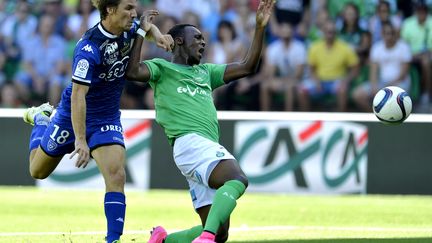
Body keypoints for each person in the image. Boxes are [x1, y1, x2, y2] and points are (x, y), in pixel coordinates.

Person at [21, 1, 172, 242]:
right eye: (128, 7)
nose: (134, 13)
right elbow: (79, 95)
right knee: (37, 171)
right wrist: (80, 140)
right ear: (110, 10)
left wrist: (158, 34)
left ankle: (113, 239)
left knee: (117, 176)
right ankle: (41, 119)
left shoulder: (127, 28)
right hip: (72, 115)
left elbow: (143, 28)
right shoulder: (88, 47)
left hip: (106, 116)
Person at [126, 1, 275, 242]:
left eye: (204, 39)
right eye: (197, 37)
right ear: (179, 41)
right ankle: (204, 237)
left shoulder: (206, 72)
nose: (203, 42)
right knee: (237, 179)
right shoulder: (162, 69)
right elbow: (132, 72)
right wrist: (142, 31)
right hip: (189, 143)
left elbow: (248, 66)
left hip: (198, 149)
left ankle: (164, 240)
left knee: (221, 234)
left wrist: (259, 27)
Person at [352, 22, 412, 112]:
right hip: (382, 82)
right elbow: (373, 71)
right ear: (382, 34)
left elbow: (403, 74)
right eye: (386, 33)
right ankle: (375, 115)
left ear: (395, 34)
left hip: (400, 83)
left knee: (392, 99)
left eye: (391, 33)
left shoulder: (404, 47)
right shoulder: (377, 48)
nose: (389, 36)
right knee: (357, 94)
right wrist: (373, 85)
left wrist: (385, 89)